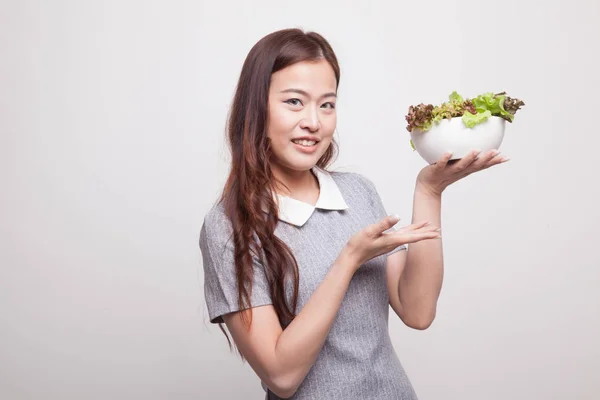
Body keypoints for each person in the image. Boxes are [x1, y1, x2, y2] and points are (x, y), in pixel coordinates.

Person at [199, 28, 508, 400]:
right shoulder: (229, 226)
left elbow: (418, 310)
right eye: (295, 102)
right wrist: (348, 260)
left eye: (326, 104)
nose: (314, 121)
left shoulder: (356, 192)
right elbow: (281, 376)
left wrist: (429, 190)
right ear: (256, 107)